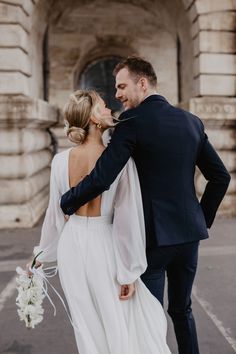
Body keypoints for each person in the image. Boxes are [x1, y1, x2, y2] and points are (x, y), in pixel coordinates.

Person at [60, 56, 231, 354]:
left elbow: (102, 178)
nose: (118, 94)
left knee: (148, 318)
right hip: (189, 235)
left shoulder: (131, 124)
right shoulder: (191, 121)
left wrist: (68, 200)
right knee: (182, 310)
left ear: (143, 82)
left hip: (151, 240)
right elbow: (221, 177)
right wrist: (201, 219)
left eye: (122, 86)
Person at [30, 90, 171, 354]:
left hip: (71, 247)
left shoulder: (60, 162)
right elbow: (128, 221)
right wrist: (129, 272)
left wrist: (41, 253)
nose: (110, 110)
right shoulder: (120, 161)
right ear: (94, 118)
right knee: (118, 320)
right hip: (103, 245)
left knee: (87, 327)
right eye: (104, 106)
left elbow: (54, 216)